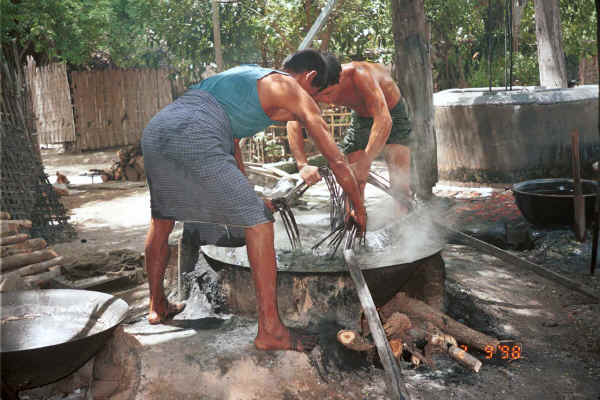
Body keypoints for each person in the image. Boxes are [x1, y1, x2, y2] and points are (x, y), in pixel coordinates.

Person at [140, 49, 366, 352]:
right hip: (195, 132)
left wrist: (249, 195)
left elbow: (231, 144)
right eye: (319, 93)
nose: (318, 101)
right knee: (260, 222)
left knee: (163, 218)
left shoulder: (247, 75)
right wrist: (358, 205)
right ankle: (270, 330)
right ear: (310, 77)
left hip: (158, 129)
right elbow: (336, 159)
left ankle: (157, 304)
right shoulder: (289, 87)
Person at [286, 54, 412, 215]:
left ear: (339, 79)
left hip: (391, 113)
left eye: (329, 93)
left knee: (400, 184)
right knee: (353, 180)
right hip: (360, 119)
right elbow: (293, 120)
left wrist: (366, 161)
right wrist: (302, 164)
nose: (326, 100)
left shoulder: (359, 74)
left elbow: (384, 119)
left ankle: (403, 226)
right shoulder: (311, 86)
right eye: (319, 96)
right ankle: (355, 224)